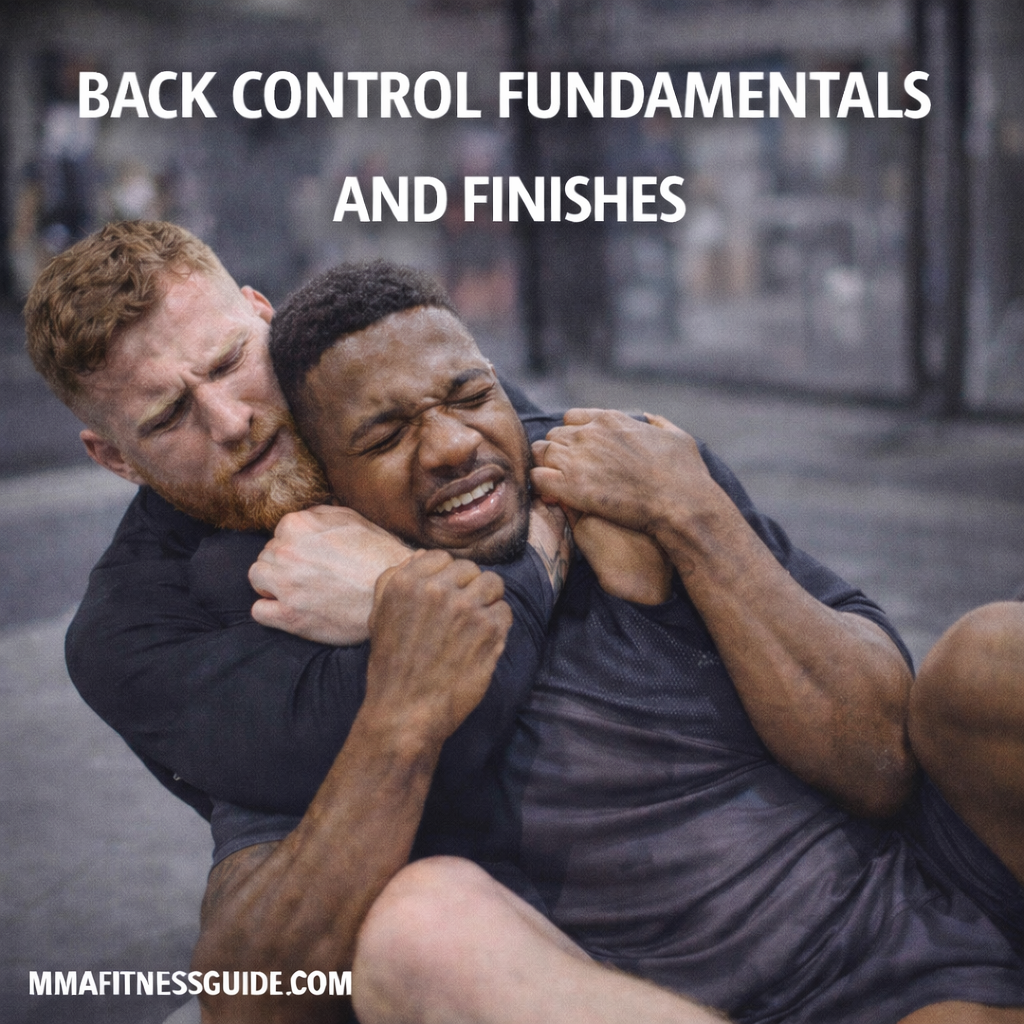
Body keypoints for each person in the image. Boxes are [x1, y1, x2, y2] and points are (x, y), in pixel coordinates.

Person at [23, 224, 1022, 1023]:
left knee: (991, 657)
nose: (233, 420)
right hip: (633, 973)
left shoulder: (568, 461)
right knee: (418, 930)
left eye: (232, 364)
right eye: (167, 416)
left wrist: (688, 510)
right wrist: (407, 653)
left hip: (901, 921)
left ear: (263, 320)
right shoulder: (230, 626)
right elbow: (254, 990)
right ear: (114, 457)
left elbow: (881, 756)